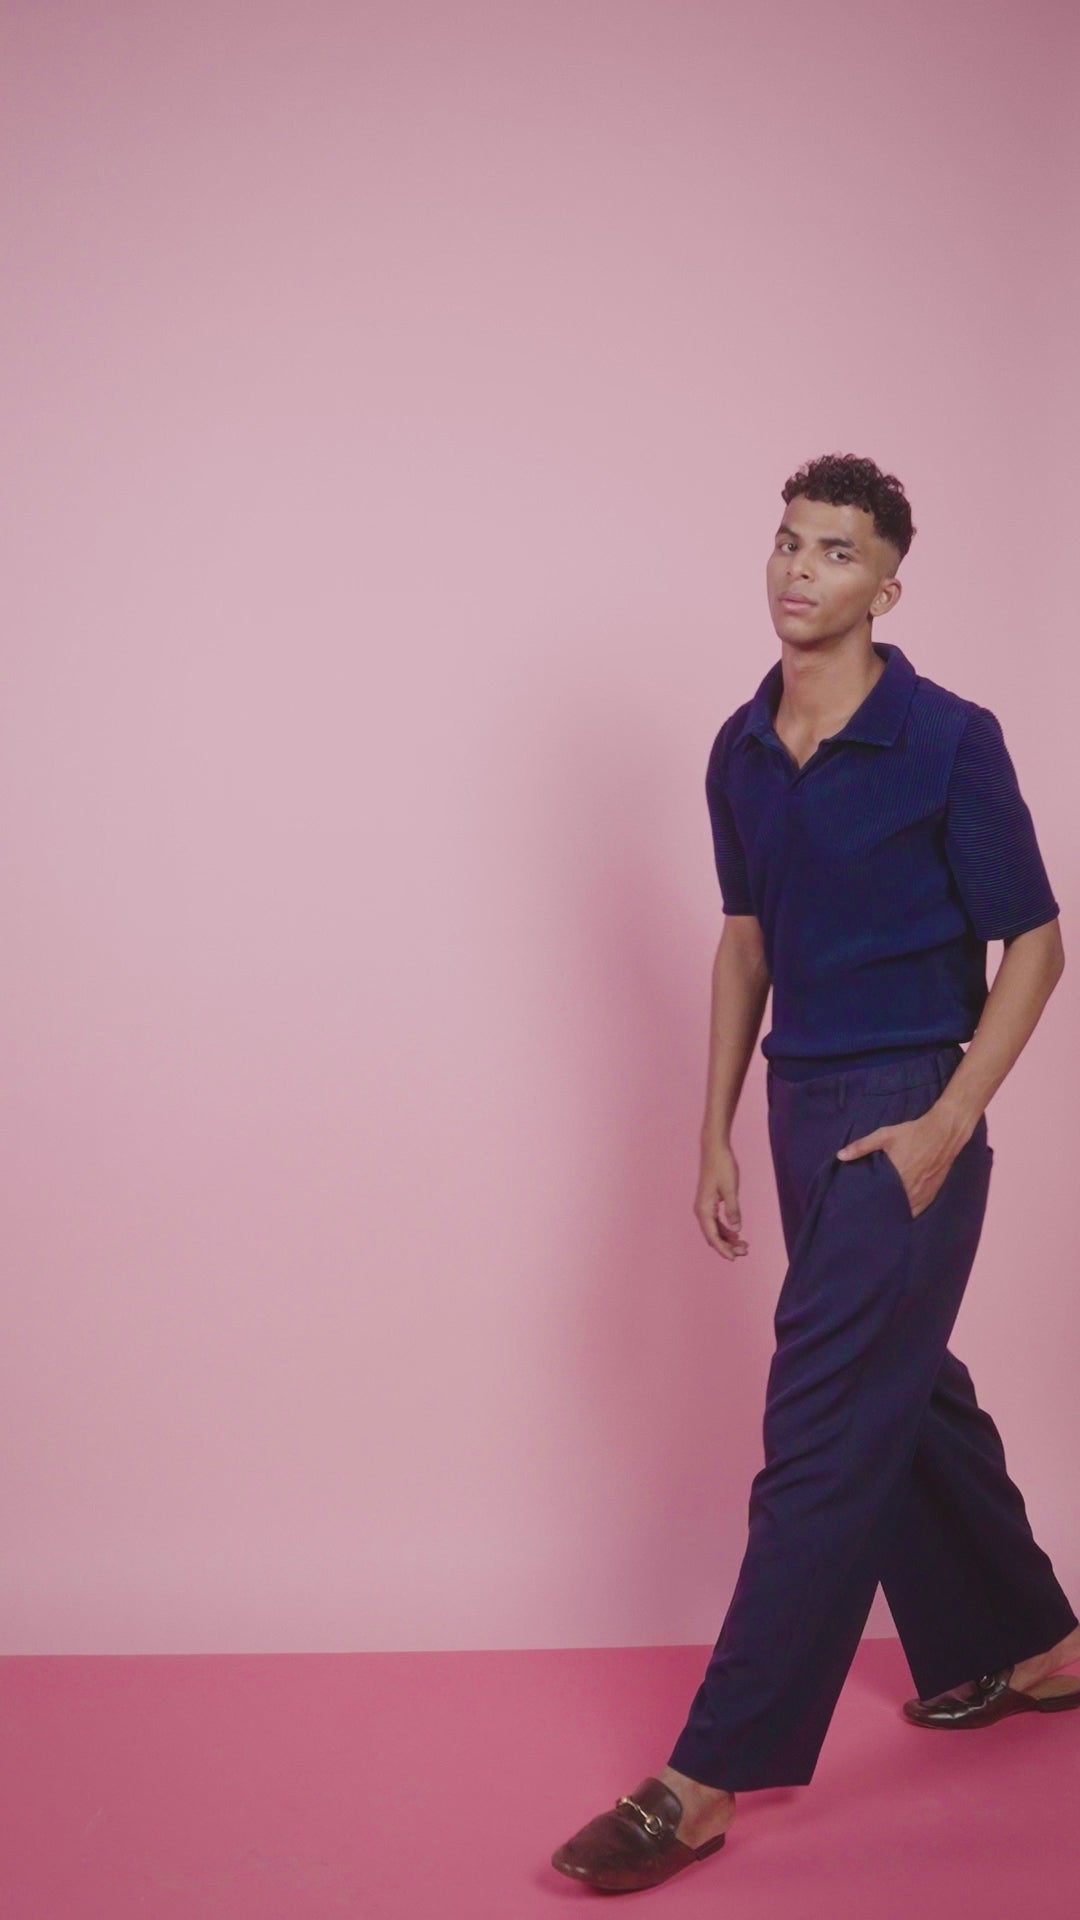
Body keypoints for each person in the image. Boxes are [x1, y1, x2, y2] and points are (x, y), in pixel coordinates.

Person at [551, 452, 1080, 1895]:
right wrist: (712, 1129)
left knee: (823, 1427)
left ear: (887, 588)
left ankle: (704, 1777)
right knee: (906, 1388)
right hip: (797, 1106)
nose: (800, 567)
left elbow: (1038, 944)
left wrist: (949, 1120)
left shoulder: (949, 739)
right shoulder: (738, 748)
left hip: (906, 1110)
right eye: (789, 541)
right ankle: (1036, 1644)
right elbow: (745, 941)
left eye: (837, 551)